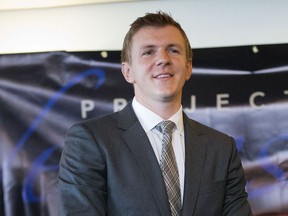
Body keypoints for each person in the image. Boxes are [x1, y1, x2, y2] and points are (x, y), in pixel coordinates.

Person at [58, 11, 252, 216]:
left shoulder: (222, 148)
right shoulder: (91, 140)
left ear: (188, 68)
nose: (163, 59)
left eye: (173, 50)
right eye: (148, 52)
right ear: (127, 72)